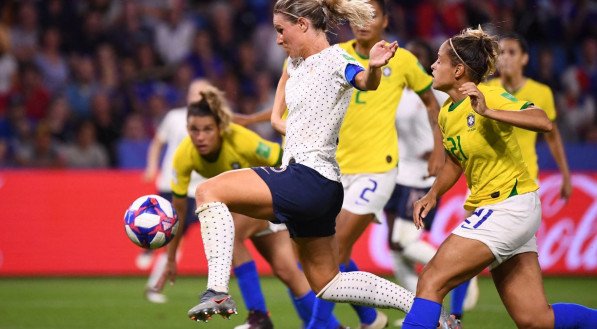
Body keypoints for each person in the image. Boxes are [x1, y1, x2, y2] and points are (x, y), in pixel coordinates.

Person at [176, 1, 455, 328]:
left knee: (209, 191)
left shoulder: (337, 59)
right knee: (327, 283)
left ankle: (217, 289)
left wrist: (375, 67)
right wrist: (279, 119)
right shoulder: (296, 62)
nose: (278, 39)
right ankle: (425, 310)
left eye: (282, 30)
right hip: (323, 185)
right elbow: (285, 84)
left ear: (304, 25)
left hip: (307, 177)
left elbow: (364, 81)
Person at [403, 27, 597, 329]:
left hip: (509, 206)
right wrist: (433, 193)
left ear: (458, 70)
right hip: (502, 210)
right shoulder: (446, 113)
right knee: (535, 319)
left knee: (431, 279)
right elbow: (455, 160)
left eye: (439, 61)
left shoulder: (490, 94)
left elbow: (542, 121)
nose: (432, 66)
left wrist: (489, 111)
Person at [155, 83, 345, 329]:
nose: (200, 137)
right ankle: (333, 327)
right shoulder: (184, 156)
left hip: (279, 196)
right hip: (252, 208)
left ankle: (259, 316)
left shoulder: (241, 139)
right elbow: (179, 210)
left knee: (227, 231)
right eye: (194, 130)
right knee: (287, 272)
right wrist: (171, 259)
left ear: (220, 129)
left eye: (207, 129)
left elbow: (284, 158)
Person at [329, 2, 445, 327]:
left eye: (371, 16)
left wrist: (439, 149)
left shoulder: (404, 59)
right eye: (357, 16)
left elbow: (431, 102)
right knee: (326, 255)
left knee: (333, 252)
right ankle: (371, 317)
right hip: (336, 168)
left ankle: (320, 324)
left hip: (378, 168)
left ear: (385, 21)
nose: (363, 23)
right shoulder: (335, 54)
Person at [383, 40, 477, 326]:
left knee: (403, 241)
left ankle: (459, 271)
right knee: (395, 247)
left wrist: (437, 151)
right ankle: (426, 313)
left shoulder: (433, 96)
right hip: (397, 174)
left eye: (424, 58)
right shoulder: (398, 92)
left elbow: (438, 125)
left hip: (422, 174)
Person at [140, 79, 208, 303]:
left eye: (203, 93)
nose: (198, 97)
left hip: (193, 189)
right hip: (170, 184)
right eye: (195, 92)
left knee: (175, 237)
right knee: (166, 231)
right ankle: (148, 248)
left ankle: (153, 284)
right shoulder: (175, 117)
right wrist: (151, 166)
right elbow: (158, 143)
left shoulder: (212, 123)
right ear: (188, 95)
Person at [485, 33, 572, 200]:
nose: (505, 58)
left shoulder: (542, 92)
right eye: (501, 53)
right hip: (488, 179)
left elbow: (552, 136)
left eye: (512, 52)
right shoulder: (484, 90)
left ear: (524, 58)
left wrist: (566, 175)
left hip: (525, 179)